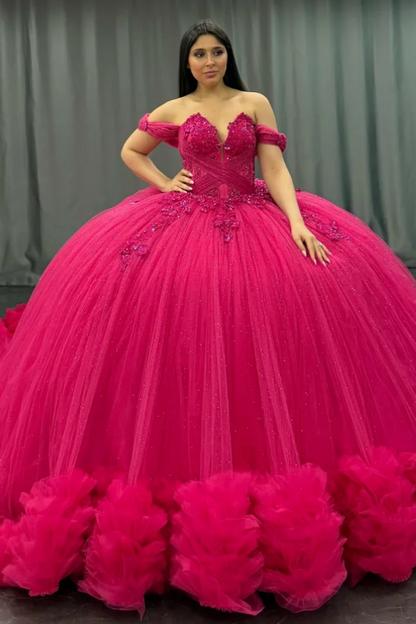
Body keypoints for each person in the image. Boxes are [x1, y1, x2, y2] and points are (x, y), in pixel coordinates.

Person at [1, 18, 416, 619]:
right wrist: (165, 182)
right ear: (188, 61)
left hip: (255, 214)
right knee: (175, 329)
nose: (210, 60)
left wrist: (297, 221)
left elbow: (274, 168)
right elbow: (132, 150)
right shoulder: (175, 108)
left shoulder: (254, 102)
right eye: (199, 53)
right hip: (186, 221)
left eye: (217, 51)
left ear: (228, 56)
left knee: (280, 319)